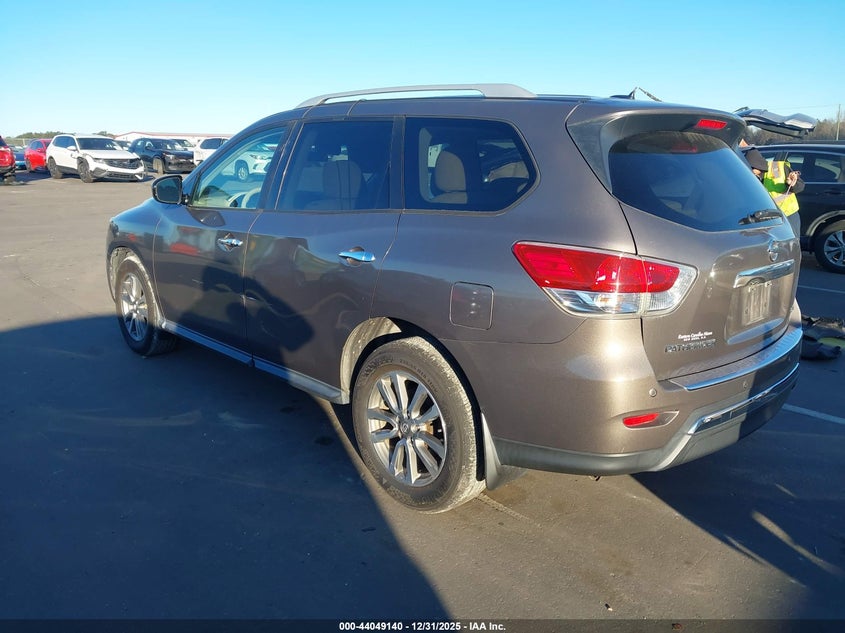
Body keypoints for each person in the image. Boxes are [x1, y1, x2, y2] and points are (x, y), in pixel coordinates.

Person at [740, 145, 804, 238]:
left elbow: (800, 186)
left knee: (791, 244)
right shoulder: (750, 177)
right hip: (766, 219)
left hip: (788, 215)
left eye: (751, 169)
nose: (749, 171)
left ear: (757, 165)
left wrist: (792, 184)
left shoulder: (778, 168)